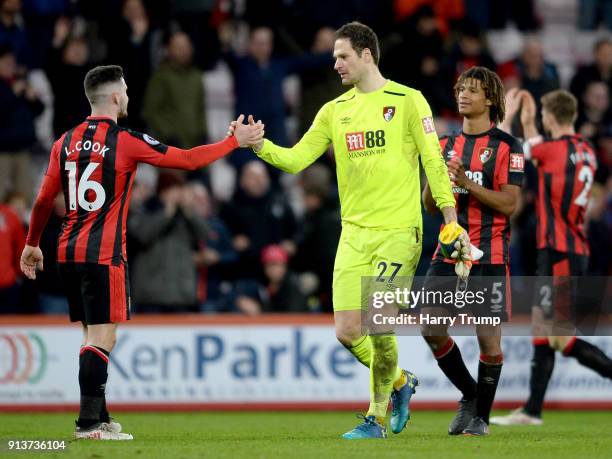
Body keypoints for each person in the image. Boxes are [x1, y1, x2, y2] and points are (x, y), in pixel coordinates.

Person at [232, 21, 466, 439]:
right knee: (346, 332)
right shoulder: (334, 110)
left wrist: (449, 215)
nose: (335, 63)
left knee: (379, 324)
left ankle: (374, 419)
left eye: (342, 55)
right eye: (335, 56)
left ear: (367, 55)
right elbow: (296, 160)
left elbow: (432, 159)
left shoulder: (409, 101)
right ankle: (399, 382)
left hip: (398, 230)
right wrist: (257, 145)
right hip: (354, 234)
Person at [19, 64, 263, 440]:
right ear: (115, 97)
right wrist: (234, 142)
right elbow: (187, 161)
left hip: (66, 250)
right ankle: (88, 425)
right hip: (103, 254)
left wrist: (33, 243)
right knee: (102, 339)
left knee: (93, 337)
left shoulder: (63, 141)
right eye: (127, 90)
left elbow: (42, 199)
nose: (129, 96)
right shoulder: (126, 140)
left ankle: (99, 415)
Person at [491, 89, 612, 426]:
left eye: (542, 115)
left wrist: (513, 114)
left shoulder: (551, 148)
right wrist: (531, 123)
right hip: (569, 248)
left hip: (559, 250)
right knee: (543, 332)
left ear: (552, 117)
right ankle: (532, 410)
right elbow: (542, 156)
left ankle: (533, 408)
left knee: (559, 336)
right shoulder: (585, 151)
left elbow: (513, 149)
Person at [422, 66, 524, 436]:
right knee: (430, 326)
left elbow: (510, 204)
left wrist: (466, 181)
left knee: (488, 339)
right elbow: (431, 206)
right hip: (448, 251)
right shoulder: (446, 145)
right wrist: (441, 180)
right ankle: (471, 395)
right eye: (461, 88)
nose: (463, 95)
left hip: (491, 252)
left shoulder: (508, 148)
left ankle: (480, 418)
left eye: (473, 90)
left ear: (490, 99)